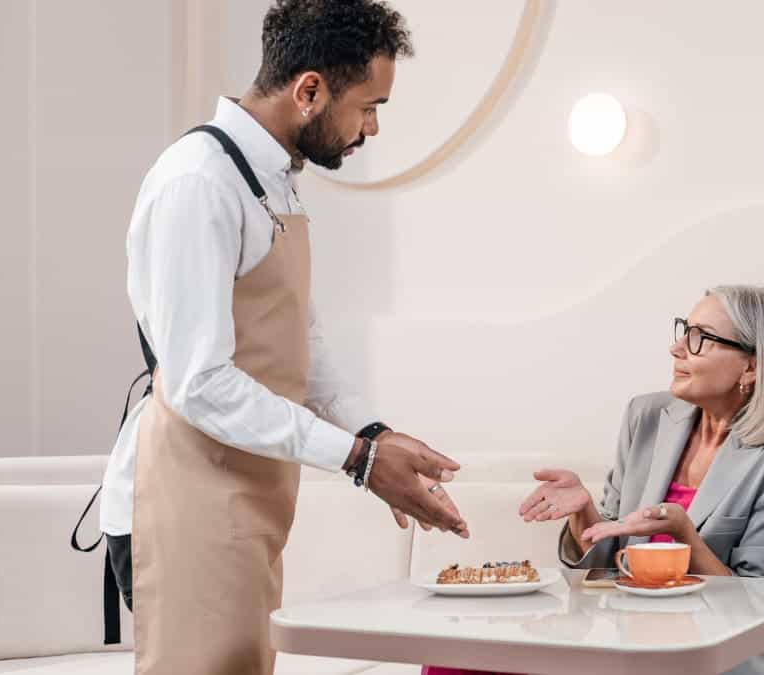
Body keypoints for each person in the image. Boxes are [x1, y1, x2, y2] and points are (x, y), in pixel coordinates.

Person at [91, 2, 468, 673]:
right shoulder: (198, 182)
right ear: (310, 90)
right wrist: (356, 459)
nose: (372, 128)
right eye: (369, 106)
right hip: (185, 493)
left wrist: (374, 435)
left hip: (245, 492)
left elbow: (303, 345)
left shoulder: (274, 180)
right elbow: (199, 382)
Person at [463, 285, 764, 675]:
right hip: (622, 646)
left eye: (700, 338)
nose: (677, 349)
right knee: (461, 660)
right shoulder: (649, 418)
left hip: (712, 664)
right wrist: (585, 514)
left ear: (752, 367)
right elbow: (607, 572)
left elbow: (762, 612)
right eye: (684, 330)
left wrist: (684, 538)